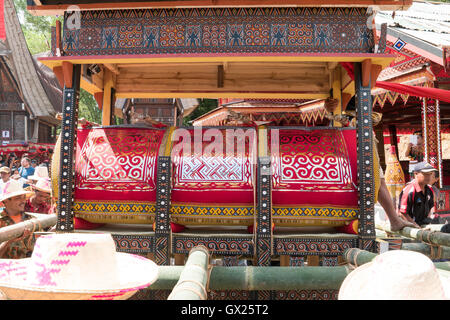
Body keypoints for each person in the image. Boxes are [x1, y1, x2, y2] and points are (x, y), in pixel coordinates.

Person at [0, 179, 35, 259]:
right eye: (18, 198)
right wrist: (9, 240)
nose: (23, 201)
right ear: (5, 201)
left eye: (23, 198)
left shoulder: (31, 219)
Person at [398, 162, 437, 227]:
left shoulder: (429, 190)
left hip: (423, 223)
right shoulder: (410, 190)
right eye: (425, 174)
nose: (428, 177)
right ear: (416, 174)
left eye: (430, 174)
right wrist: (415, 225)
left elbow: (429, 209)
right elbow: (403, 213)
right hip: (410, 225)